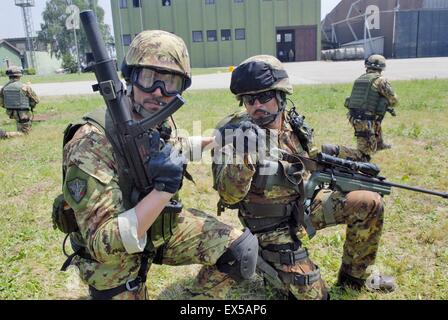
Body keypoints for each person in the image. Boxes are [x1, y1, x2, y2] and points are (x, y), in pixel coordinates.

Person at [53, 30, 258, 300]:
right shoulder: (91, 142)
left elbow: (178, 146)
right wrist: (163, 190)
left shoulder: (155, 120)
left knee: (240, 251)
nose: (159, 92)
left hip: (158, 227)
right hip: (113, 259)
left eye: (170, 82)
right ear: (131, 77)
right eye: (149, 78)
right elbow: (101, 242)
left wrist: (221, 138)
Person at [211, 55, 395, 300]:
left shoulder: (291, 122)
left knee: (369, 202)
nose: (257, 105)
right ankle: (264, 257)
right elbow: (228, 195)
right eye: (249, 99)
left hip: (305, 204)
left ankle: (353, 278)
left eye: (264, 96)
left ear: (280, 96)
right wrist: (246, 155)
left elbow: (307, 159)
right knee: (314, 296)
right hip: (268, 225)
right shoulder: (234, 133)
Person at [322, 54, 398, 162]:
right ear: (381, 68)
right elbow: (393, 100)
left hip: (355, 117)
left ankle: (379, 143)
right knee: (365, 156)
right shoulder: (381, 80)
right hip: (364, 120)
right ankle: (333, 150)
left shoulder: (360, 79)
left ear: (367, 66)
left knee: (372, 132)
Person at [0, 66, 39, 137]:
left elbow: (2, 103)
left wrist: (11, 107)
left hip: (11, 112)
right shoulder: (25, 87)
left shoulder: (4, 88)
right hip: (23, 113)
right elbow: (35, 100)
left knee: (22, 125)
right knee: (25, 134)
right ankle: (4, 134)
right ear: (19, 75)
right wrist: (30, 105)